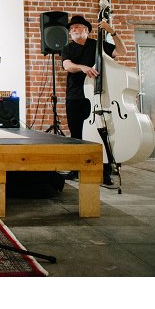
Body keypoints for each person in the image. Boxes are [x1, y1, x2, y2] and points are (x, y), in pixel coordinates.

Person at [61, 14, 126, 185]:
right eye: (71, 28)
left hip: (98, 97)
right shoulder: (68, 48)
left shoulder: (98, 45)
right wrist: (82, 67)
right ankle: (76, 169)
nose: (73, 30)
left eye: (77, 27)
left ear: (87, 30)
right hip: (75, 97)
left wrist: (112, 32)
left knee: (101, 134)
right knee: (76, 134)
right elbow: (67, 65)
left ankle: (104, 171)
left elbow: (121, 52)